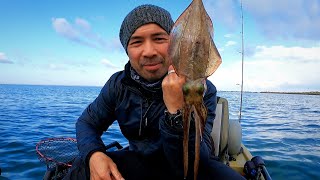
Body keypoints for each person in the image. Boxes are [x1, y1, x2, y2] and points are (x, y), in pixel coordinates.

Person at [64, 4, 244, 180]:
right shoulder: (118, 85)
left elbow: (193, 163)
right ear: (127, 50)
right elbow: (87, 122)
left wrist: (176, 112)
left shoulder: (201, 88)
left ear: (174, 43)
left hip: (192, 165)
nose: (149, 52)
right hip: (140, 161)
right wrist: (94, 154)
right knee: (80, 170)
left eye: (159, 39)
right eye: (137, 42)